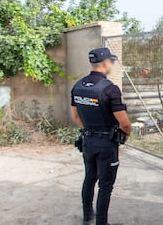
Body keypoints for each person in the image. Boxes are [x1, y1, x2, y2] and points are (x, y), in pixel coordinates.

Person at [71, 47, 131, 225]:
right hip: (106, 143)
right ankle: (101, 222)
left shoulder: (78, 86)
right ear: (105, 63)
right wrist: (126, 134)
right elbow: (124, 122)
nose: (111, 64)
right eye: (111, 61)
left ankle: (87, 215)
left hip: (88, 141)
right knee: (105, 185)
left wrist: (90, 130)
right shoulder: (110, 89)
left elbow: (75, 117)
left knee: (89, 178)